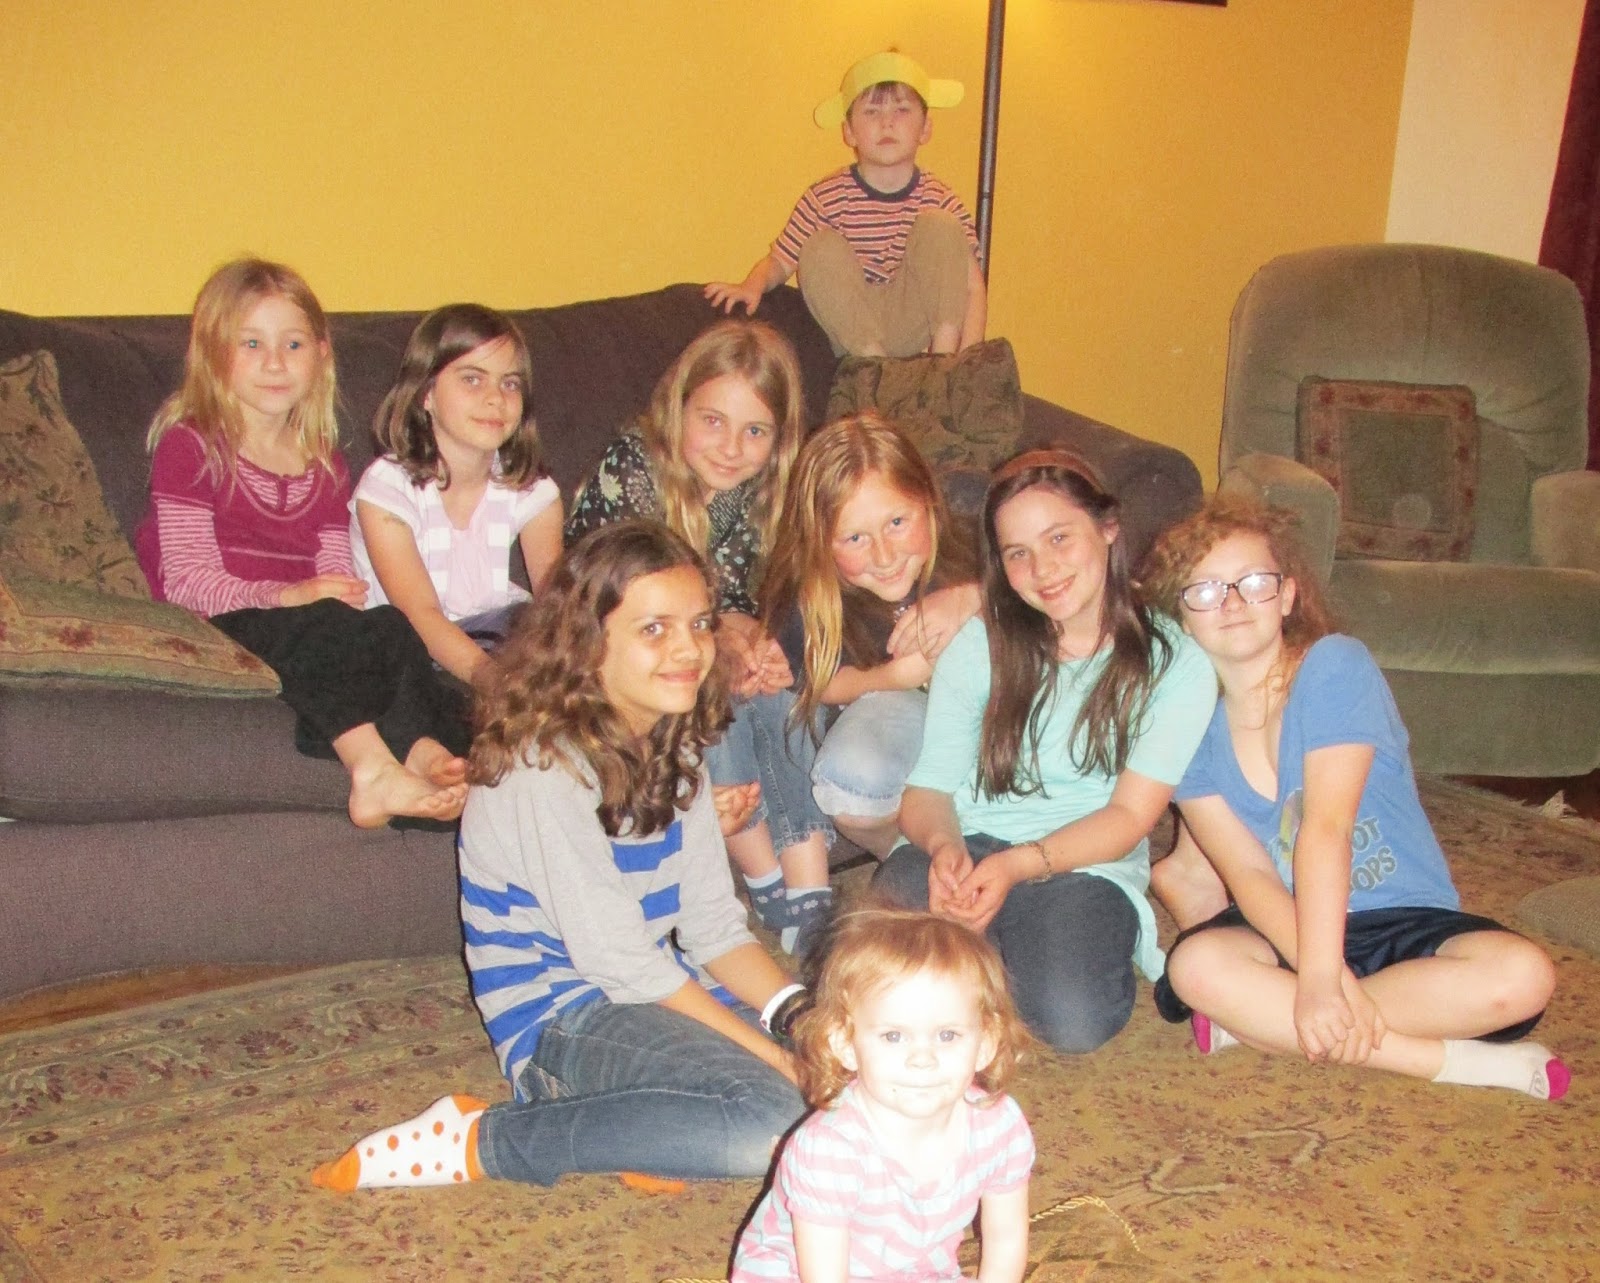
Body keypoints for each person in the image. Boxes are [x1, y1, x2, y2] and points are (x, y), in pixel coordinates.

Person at [312, 522, 808, 1190]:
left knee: (863, 1077)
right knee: (776, 1119)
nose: (689, 648)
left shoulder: (676, 745)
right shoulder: (541, 766)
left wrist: (801, 1019)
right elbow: (620, 964)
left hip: (649, 988)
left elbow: (714, 928)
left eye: (698, 623)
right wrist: (781, 1061)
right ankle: (485, 1139)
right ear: (587, 643)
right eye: (654, 629)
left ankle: (648, 1130)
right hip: (562, 1019)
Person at [1141, 496, 1570, 1100]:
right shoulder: (1186, 728)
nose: (1233, 602)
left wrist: (1323, 983)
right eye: (1205, 590)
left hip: (1403, 917)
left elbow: (1327, 828)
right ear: (1181, 618)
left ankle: (1265, 1023)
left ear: (1287, 597)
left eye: (1254, 582)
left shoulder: (1335, 666)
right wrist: (1316, 974)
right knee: (1195, 966)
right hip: (1289, 926)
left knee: (1523, 976)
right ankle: (1452, 1061)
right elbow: (1248, 874)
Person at [872, 451, 1216, 1052]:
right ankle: (985, 958)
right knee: (874, 941)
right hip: (972, 842)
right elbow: (929, 789)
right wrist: (945, 848)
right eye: (1018, 553)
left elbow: (1129, 817)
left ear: (1108, 528)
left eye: (1059, 538)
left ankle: (981, 962)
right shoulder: (979, 642)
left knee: (1073, 1022)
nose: (1042, 569)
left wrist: (1015, 868)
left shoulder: (1174, 662)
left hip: (1083, 860)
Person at [134, 257, 467, 829]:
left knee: (390, 627)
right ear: (212, 353)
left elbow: (336, 571)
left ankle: (422, 751)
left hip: (306, 619)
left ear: (321, 355)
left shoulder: (324, 461)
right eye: (251, 344)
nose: (274, 362)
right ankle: (371, 769)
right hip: (215, 618)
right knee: (322, 628)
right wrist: (290, 596)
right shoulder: (191, 446)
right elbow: (188, 581)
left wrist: (337, 602)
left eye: (293, 344)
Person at [567, 320, 835, 958]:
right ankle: (766, 883)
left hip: (706, 633)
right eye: (713, 421)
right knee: (715, 677)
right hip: (622, 643)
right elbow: (626, 602)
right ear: (678, 406)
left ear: (781, 438)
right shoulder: (634, 466)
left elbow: (762, 592)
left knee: (777, 683)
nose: (732, 448)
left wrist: (759, 643)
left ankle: (811, 892)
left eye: (756, 431)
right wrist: (723, 636)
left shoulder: (767, 490)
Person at [732, 906, 1034, 1283]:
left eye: (947, 1035)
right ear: (845, 1045)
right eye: (893, 1036)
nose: (922, 1059)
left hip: (914, 1268)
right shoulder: (829, 1150)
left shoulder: (999, 1126)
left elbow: (1006, 1238)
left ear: (986, 1043)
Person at [761, 412, 979, 857]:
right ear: (820, 541)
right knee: (850, 781)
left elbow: (1039, 586)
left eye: (897, 523)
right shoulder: (807, 594)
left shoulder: (970, 537)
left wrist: (968, 597)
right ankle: (916, 863)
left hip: (996, 712)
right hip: (903, 716)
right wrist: (894, 676)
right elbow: (819, 680)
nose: (884, 556)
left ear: (928, 500)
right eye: (855, 538)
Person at [705, 50, 986, 359]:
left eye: (902, 110)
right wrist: (751, 286)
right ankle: (875, 367)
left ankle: (941, 365)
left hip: (912, 318)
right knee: (817, 247)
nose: (887, 123)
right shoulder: (825, 197)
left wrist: (968, 360)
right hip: (854, 330)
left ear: (926, 129)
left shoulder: (940, 198)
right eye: (871, 112)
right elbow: (780, 262)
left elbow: (971, 287)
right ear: (849, 131)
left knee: (941, 225)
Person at [351, 304, 562, 686]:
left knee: (541, 625)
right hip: (410, 647)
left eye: (510, 383)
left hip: (497, 634)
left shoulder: (532, 489)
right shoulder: (387, 488)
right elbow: (420, 615)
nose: (495, 398)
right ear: (425, 394)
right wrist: (498, 685)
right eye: (472, 379)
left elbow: (556, 601)